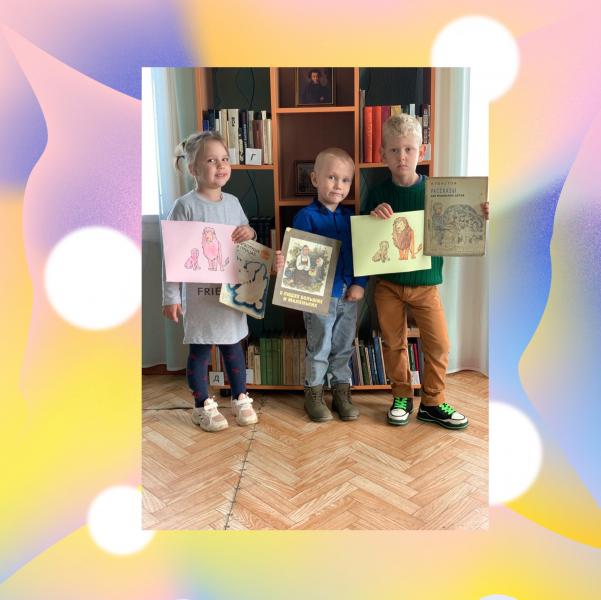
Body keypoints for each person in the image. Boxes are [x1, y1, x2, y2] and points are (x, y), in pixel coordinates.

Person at [363, 114, 489, 429]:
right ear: (383, 154)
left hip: (426, 284)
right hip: (388, 285)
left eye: (408, 149)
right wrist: (373, 216)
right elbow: (366, 238)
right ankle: (401, 396)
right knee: (393, 343)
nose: (402, 157)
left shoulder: (437, 192)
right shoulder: (377, 192)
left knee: (440, 344)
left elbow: (457, 225)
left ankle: (432, 402)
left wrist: (479, 213)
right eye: (394, 150)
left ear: (421, 152)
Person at [162, 131, 258, 432]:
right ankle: (201, 404)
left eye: (224, 159)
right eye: (211, 160)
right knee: (201, 351)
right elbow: (172, 256)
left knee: (233, 347)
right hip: (199, 297)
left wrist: (250, 233)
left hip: (230, 294)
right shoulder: (184, 206)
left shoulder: (233, 203)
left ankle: (240, 397)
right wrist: (171, 297)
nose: (221, 165)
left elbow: (245, 235)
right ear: (193, 168)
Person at [278, 148, 367, 422]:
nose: (338, 185)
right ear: (315, 179)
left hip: (348, 296)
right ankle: (314, 394)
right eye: (332, 177)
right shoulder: (305, 217)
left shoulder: (351, 218)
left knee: (343, 346)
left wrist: (360, 283)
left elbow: (362, 254)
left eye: (345, 180)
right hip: (319, 298)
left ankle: (341, 393)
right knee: (320, 346)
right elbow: (297, 260)